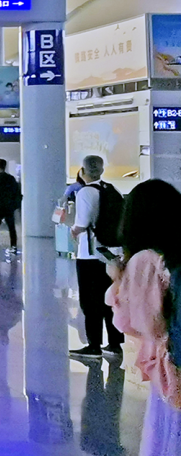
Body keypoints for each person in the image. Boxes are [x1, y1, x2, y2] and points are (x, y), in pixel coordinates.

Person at [106, 178, 181, 454]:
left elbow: (131, 322)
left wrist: (118, 281)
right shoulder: (174, 255)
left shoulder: (144, 259)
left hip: (171, 365)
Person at [69, 154, 125, 360]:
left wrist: (73, 231)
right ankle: (115, 344)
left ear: (83, 171)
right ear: (101, 170)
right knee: (110, 299)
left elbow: (82, 223)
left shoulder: (85, 192)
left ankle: (93, 345)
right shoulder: (112, 189)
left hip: (90, 254)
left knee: (90, 301)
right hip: (111, 254)